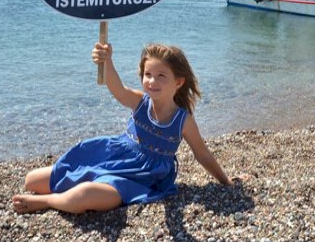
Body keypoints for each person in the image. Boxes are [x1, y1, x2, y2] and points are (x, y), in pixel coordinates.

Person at [12, 43, 235, 214]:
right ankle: (69, 186)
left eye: (161, 76)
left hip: (139, 176)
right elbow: (117, 88)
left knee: (83, 195)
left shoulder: (182, 120)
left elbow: (202, 154)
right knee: (31, 180)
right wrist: (106, 61)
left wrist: (226, 182)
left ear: (178, 82)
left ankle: (45, 202)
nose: (151, 82)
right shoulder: (140, 102)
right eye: (147, 75)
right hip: (113, 157)